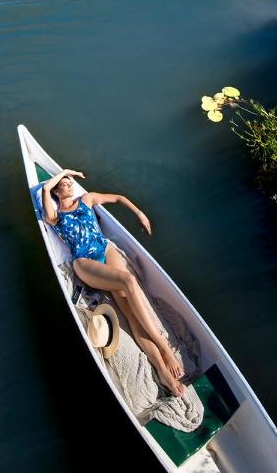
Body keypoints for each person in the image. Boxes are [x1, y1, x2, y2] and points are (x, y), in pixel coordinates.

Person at [42, 168, 185, 397]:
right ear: (57, 192)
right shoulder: (55, 216)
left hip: (105, 249)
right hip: (85, 262)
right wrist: (66, 172)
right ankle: (164, 348)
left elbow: (118, 198)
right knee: (128, 280)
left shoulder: (86, 200)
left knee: (129, 309)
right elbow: (46, 188)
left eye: (70, 183)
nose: (69, 185)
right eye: (65, 184)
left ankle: (161, 369)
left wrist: (140, 214)